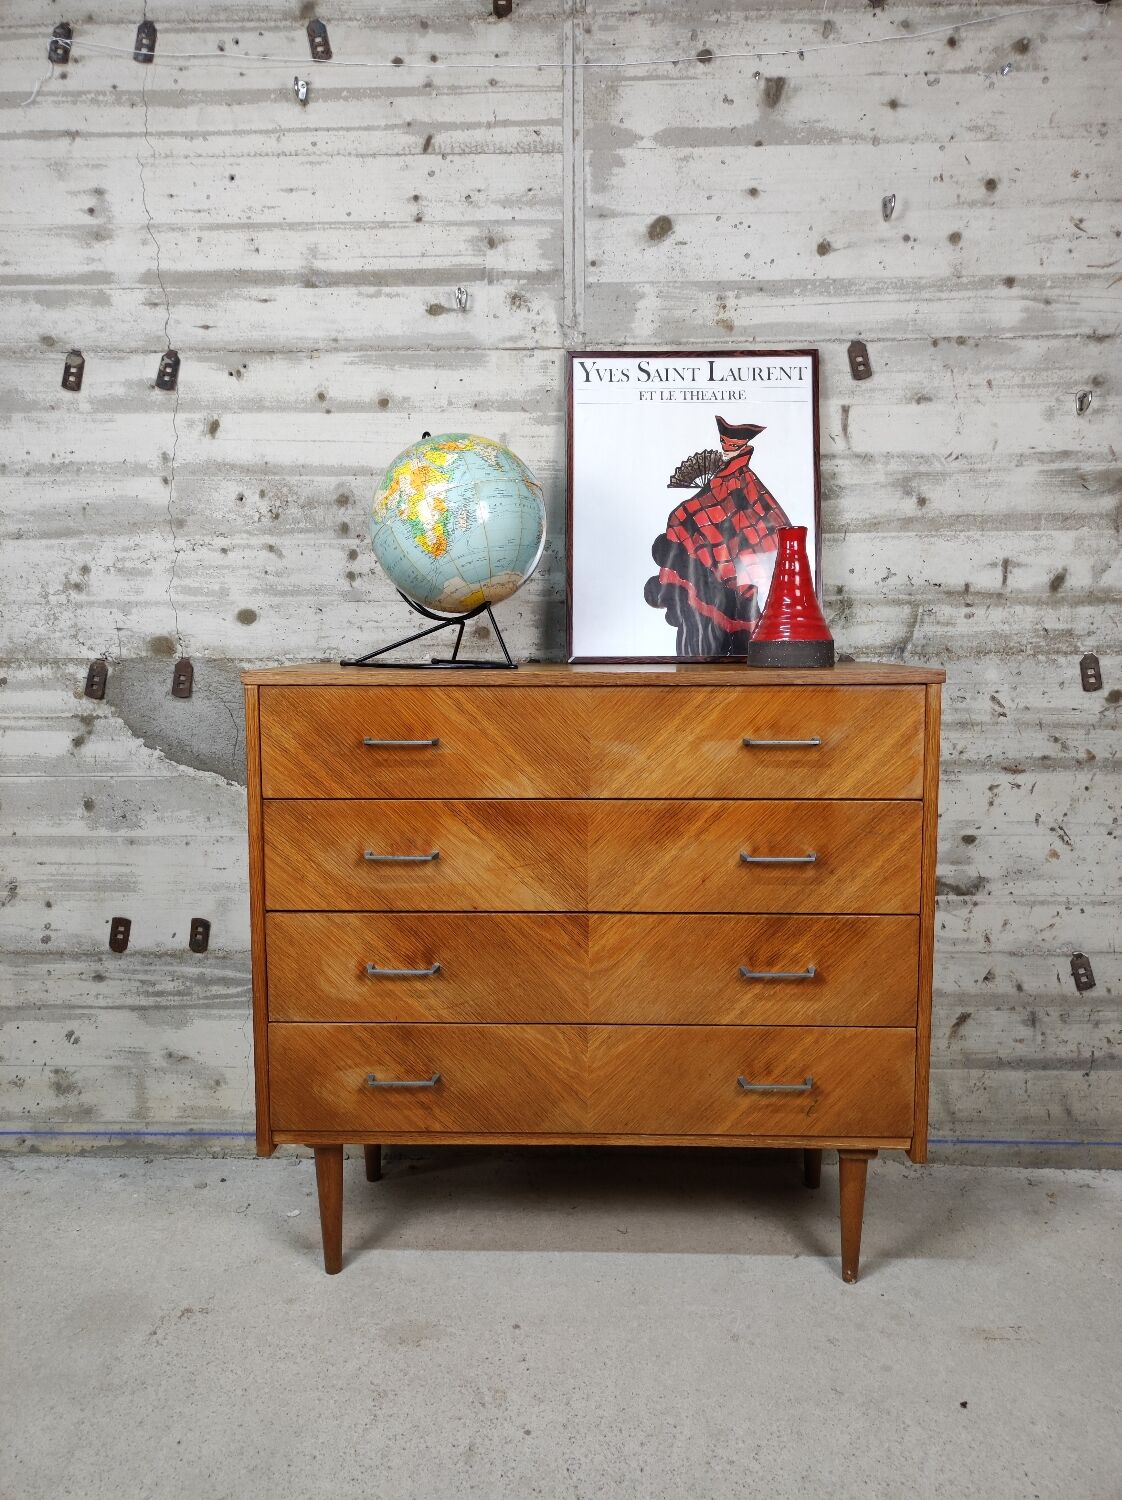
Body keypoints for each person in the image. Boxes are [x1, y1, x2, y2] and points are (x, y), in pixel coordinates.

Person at [644, 416, 792, 657]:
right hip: (718, 542)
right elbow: (713, 499)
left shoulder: (743, 477)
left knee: (692, 522)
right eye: (724, 443)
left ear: (742, 446)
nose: (726, 449)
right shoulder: (728, 473)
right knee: (682, 518)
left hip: (733, 540)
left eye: (731, 445)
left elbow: (738, 506)